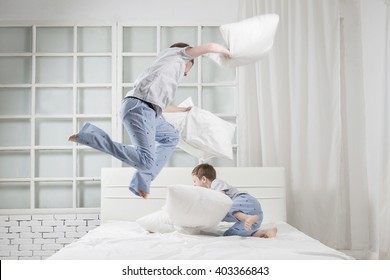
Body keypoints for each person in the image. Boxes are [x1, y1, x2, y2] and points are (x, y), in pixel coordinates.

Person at [68, 42, 231, 199]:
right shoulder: (178, 55)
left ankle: (142, 181)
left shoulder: (165, 72)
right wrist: (226, 52)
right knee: (145, 161)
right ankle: (90, 136)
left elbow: (163, 107)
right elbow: (208, 47)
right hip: (139, 108)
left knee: (172, 137)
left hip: (148, 110)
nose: (186, 74)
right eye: (189, 69)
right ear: (187, 58)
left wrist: (184, 110)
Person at [191, 163, 277, 238]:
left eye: (194, 181)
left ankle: (247, 218)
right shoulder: (210, 192)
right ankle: (265, 233)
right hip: (256, 215)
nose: (194, 185)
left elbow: (221, 199)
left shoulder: (216, 183)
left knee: (224, 206)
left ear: (204, 179)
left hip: (246, 201)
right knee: (230, 233)